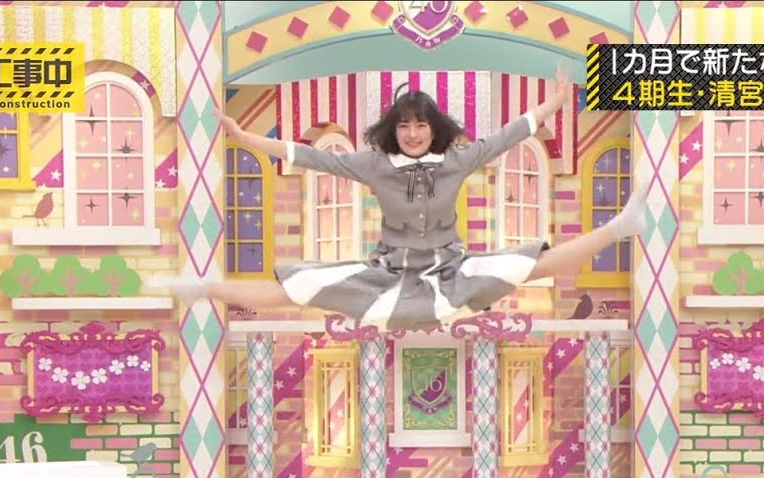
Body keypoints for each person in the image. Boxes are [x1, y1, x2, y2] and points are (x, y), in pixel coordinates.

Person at [147, 68, 648, 332]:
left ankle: (621, 226)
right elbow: (306, 155)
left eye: (420, 124)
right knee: (298, 286)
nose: (412, 133)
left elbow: (507, 136)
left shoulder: (457, 159)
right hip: (388, 276)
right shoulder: (375, 164)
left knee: (531, 264)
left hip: (450, 272)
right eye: (404, 125)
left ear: (434, 129)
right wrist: (246, 138)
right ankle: (202, 288)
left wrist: (555, 104)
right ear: (394, 129)